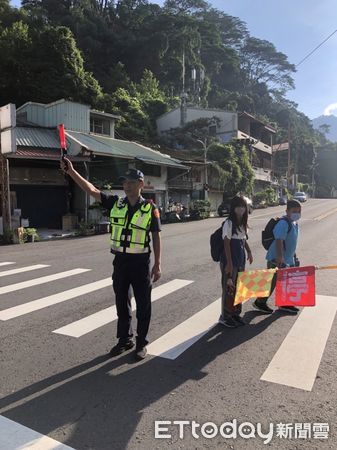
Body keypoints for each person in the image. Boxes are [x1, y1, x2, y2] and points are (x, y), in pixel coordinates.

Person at [60, 158, 162, 360]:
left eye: (131, 182)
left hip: (141, 264)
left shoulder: (150, 209)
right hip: (121, 263)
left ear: (141, 184)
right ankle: (125, 339)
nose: (127, 186)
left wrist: (157, 264)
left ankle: (141, 343)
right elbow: (91, 190)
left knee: (143, 305)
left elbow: (156, 237)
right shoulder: (117, 203)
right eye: (124, 182)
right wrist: (71, 171)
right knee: (121, 303)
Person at [253, 199, 301, 315]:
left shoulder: (294, 223)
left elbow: (291, 242)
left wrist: (294, 257)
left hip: (288, 259)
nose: (297, 214)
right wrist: (280, 258)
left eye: (299, 211)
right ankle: (260, 302)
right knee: (271, 282)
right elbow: (279, 240)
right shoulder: (283, 223)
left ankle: (285, 303)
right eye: (294, 211)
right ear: (287, 210)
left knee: (286, 283)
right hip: (277, 258)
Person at [219, 196, 253, 328]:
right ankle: (225, 316)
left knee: (239, 287)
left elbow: (243, 240)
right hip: (230, 259)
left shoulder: (243, 223)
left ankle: (235, 314)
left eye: (243, 206)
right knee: (229, 288)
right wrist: (229, 263)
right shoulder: (229, 223)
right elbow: (226, 243)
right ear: (233, 208)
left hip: (240, 259)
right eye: (238, 206)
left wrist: (249, 252)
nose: (241, 209)